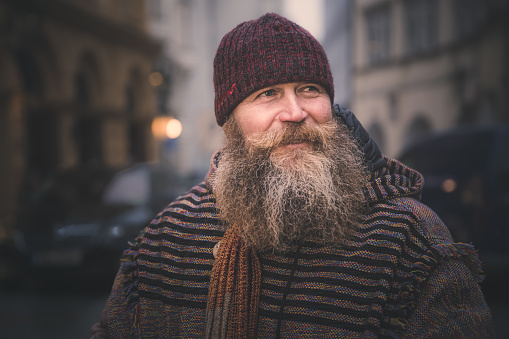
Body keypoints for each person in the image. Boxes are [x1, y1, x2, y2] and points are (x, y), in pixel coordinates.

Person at [91, 13, 494, 338]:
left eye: (309, 89)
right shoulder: (168, 237)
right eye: (267, 94)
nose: (295, 112)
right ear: (230, 121)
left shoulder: (408, 238)